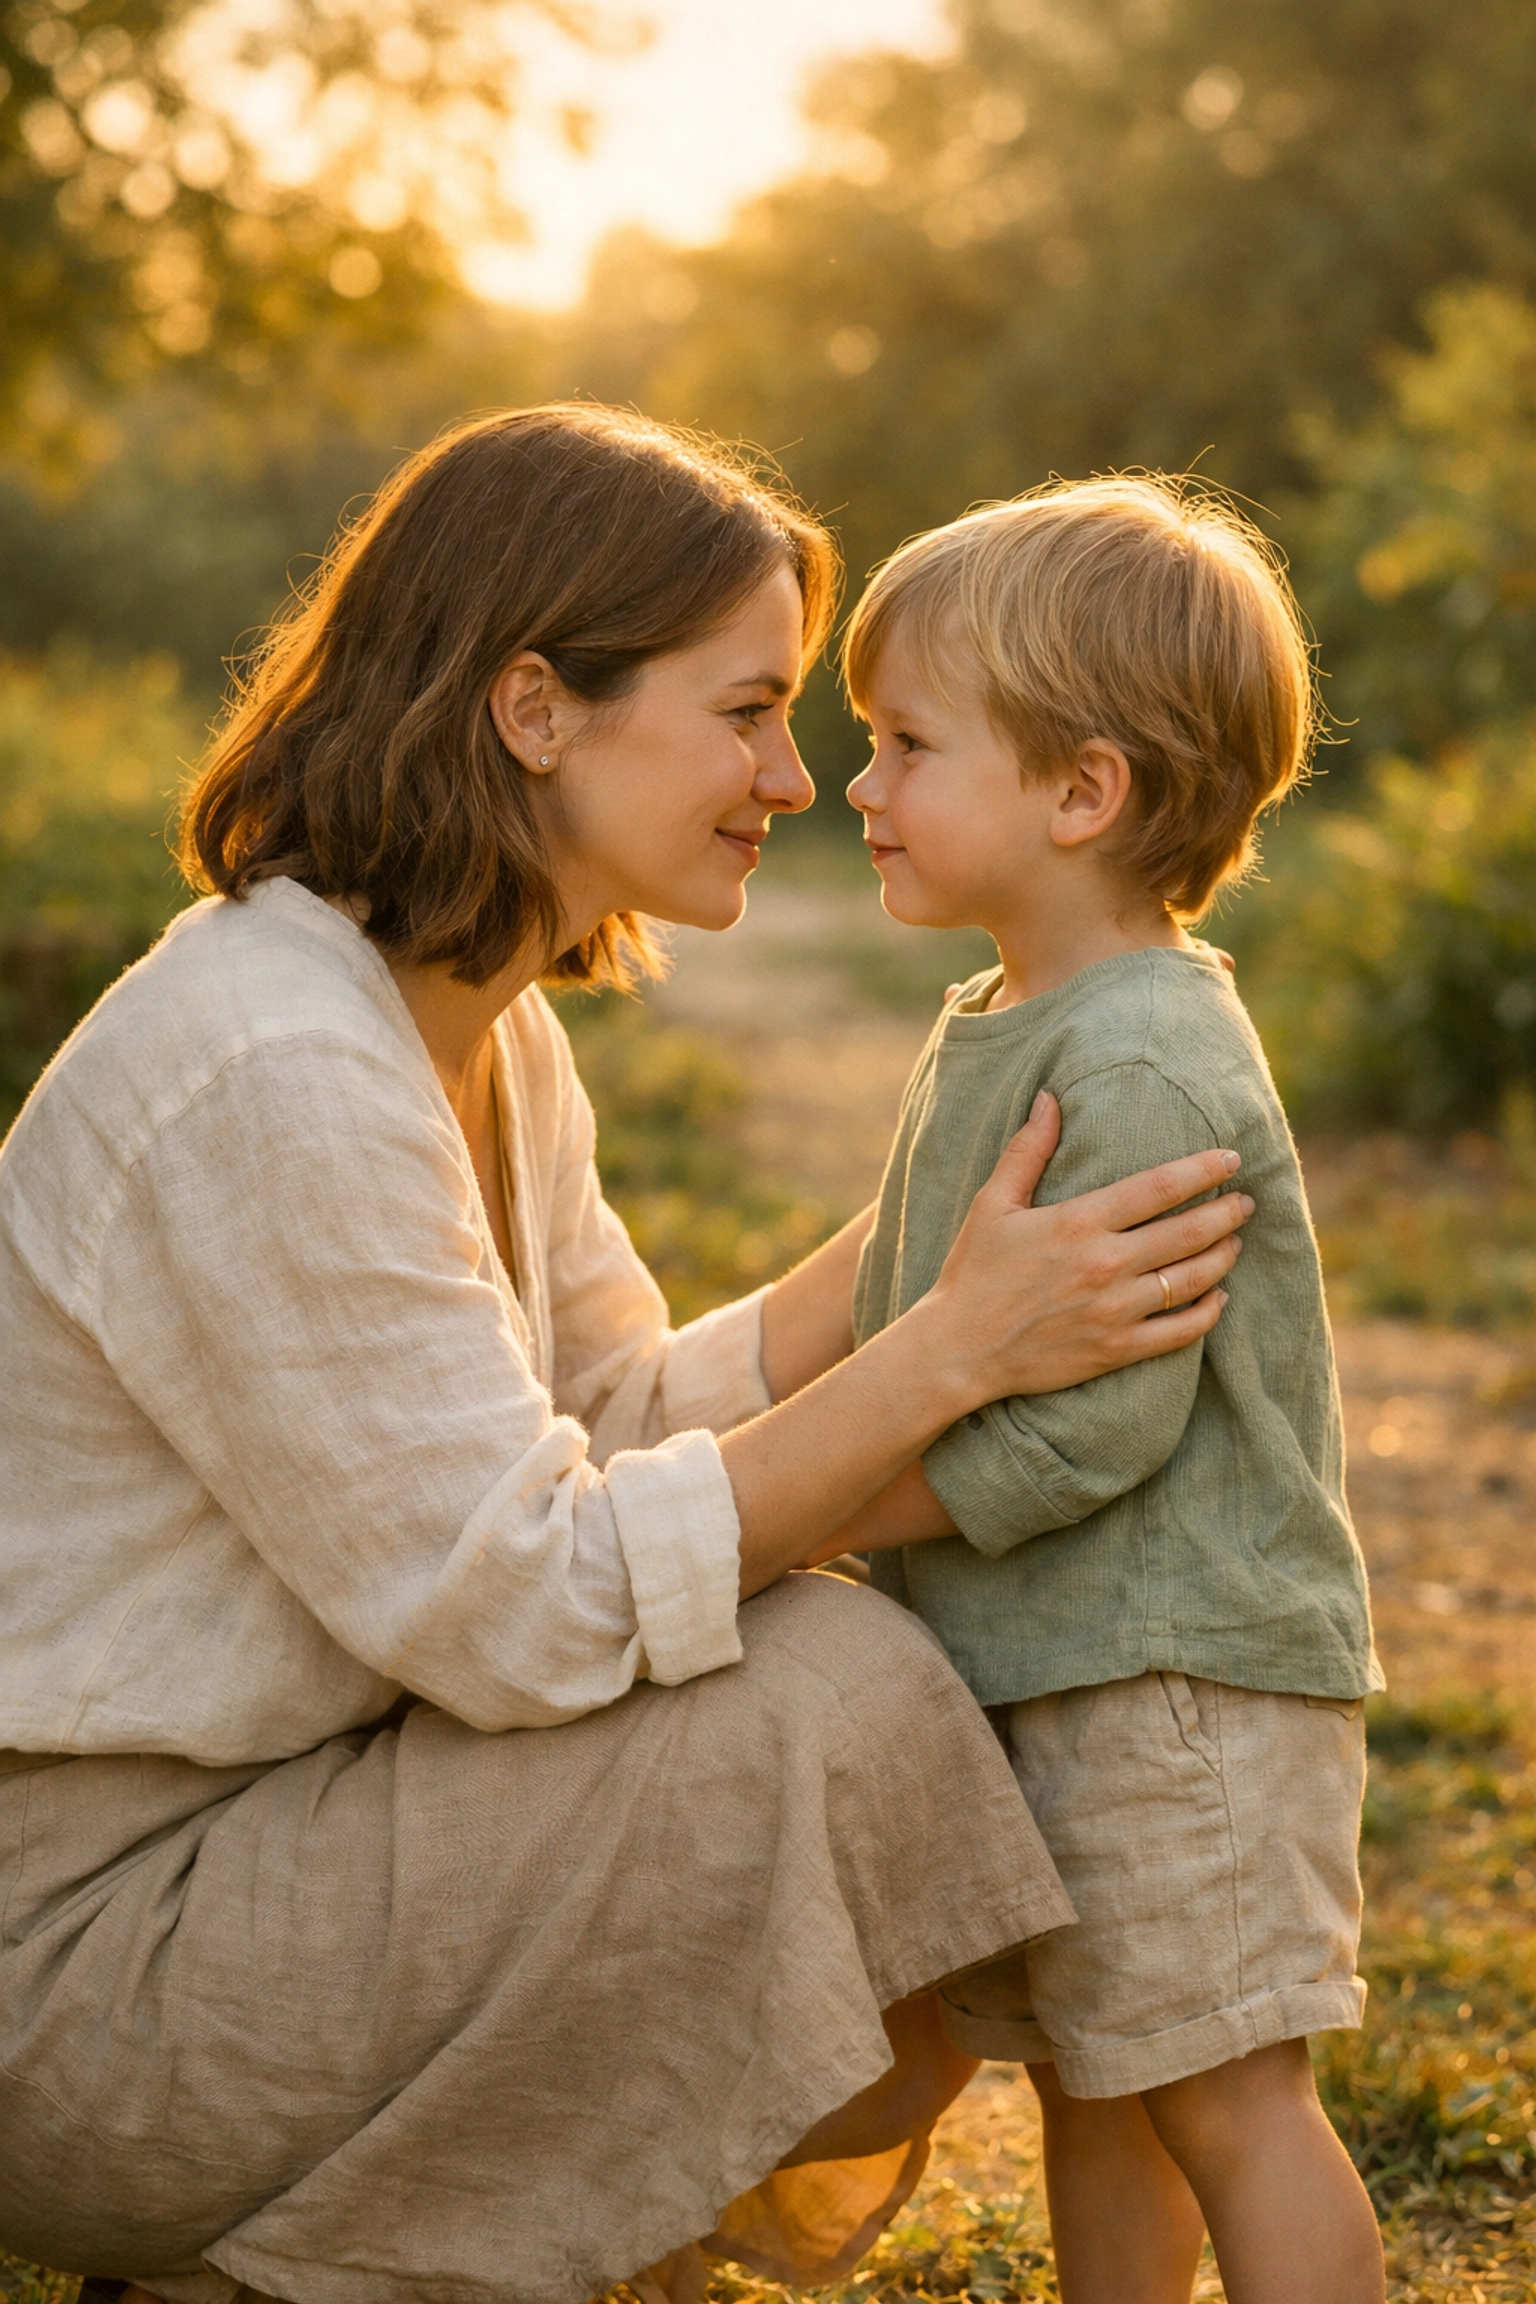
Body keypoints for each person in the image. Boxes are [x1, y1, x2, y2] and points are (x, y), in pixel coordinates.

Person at [0, 409, 1252, 2304]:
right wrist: (947, 1354)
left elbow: (616, 1422)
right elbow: (535, 1601)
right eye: (746, 711)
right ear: (534, 708)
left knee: (833, 1676)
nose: (795, 776)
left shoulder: (479, 1028)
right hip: (96, 1962)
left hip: (275, 1842)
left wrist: (948, 1236)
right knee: (827, 1698)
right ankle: (275, 2251)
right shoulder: (275, 1064)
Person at [832, 476, 1386, 2304]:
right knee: (1096, 2076)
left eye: (908, 744)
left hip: (1177, 1685)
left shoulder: (1142, 1057)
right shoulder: (1017, 1013)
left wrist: (829, 1509)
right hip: (1060, 1664)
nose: (861, 785)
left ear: (1081, 793)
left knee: (1227, 2092)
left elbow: (1097, 1426)